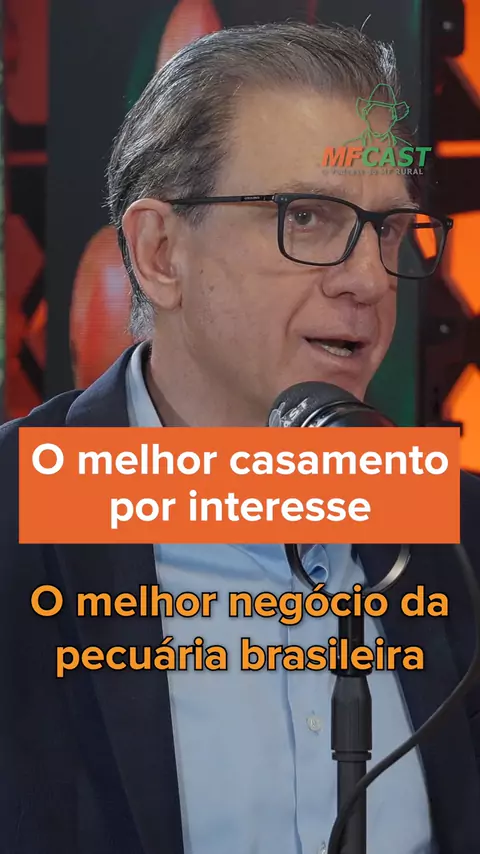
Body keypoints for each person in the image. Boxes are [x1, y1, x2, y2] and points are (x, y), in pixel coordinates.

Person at [1, 20, 479, 854]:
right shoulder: (16, 515)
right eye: (309, 217)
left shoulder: (457, 531)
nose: (370, 280)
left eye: (389, 231)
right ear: (160, 253)